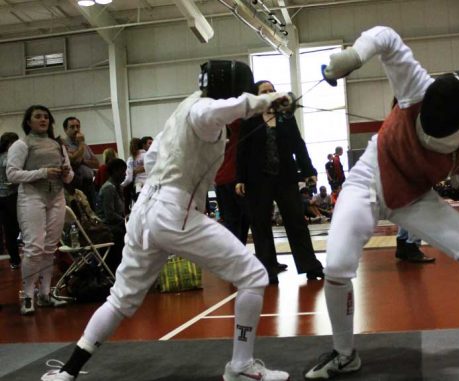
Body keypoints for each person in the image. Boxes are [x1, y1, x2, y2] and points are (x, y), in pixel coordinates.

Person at [304, 26, 459, 380]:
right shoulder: (417, 86)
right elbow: (385, 36)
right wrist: (353, 57)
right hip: (368, 179)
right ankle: (343, 353)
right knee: (336, 267)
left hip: (414, 197)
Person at [41, 60, 291, 381]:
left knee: (121, 298)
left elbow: (156, 156)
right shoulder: (202, 111)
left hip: (145, 211)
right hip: (173, 212)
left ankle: (67, 372)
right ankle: (241, 366)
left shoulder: (183, 108)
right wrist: (265, 101)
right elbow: (218, 112)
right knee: (254, 275)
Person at [236, 80, 324, 285]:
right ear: (256, 96)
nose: (269, 93)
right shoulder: (249, 120)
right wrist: (240, 178)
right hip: (257, 180)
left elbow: (298, 145)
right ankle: (268, 270)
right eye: (264, 91)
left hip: (286, 178)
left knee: (297, 222)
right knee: (260, 225)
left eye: (272, 90)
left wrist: (309, 170)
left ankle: (310, 266)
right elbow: (241, 151)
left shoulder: (286, 117)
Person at [7, 105, 73, 315]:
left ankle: (45, 294)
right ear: (29, 122)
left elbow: (70, 174)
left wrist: (64, 173)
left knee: (49, 248)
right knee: (34, 247)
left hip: (56, 196)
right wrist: (43, 172)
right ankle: (27, 296)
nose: (43, 120)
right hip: (31, 196)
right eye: (38, 117)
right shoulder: (21, 144)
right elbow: (12, 175)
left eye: (46, 117)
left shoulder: (57, 144)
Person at [214, 121, 250, 244]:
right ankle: (238, 252)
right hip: (233, 180)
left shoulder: (213, 135)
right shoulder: (236, 129)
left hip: (221, 180)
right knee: (242, 220)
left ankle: (236, 253)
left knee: (231, 222)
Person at [96, 158, 128, 272]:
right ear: (114, 171)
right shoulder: (108, 188)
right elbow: (109, 215)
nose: (125, 174)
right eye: (123, 171)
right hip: (108, 227)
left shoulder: (118, 187)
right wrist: (126, 221)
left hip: (116, 224)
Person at [62, 117, 99, 208]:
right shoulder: (64, 145)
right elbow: (75, 161)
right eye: (72, 127)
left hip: (90, 184)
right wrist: (81, 143)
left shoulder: (85, 146)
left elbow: (96, 163)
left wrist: (83, 160)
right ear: (65, 130)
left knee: (93, 210)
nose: (76, 129)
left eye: (78, 126)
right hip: (77, 185)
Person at [0, 132, 21, 269]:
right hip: (12, 195)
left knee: (8, 230)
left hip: (1, 197)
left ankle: (14, 260)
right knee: (23, 226)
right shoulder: (10, 157)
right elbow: (14, 178)